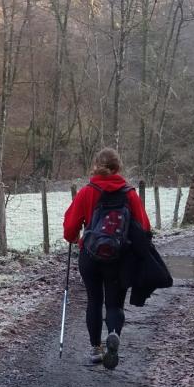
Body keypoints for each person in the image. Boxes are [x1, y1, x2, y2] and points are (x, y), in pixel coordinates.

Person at [62, 147, 152, 369]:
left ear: (95, 166)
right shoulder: (129, 193)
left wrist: (75, 236)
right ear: (118, 167)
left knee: (94, 300)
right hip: (119, 257)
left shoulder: (86, 192)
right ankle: (113, 335)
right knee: (115, 303)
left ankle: (96, 350)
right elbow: (145, 227)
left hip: (90, 257)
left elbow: (69, 229)